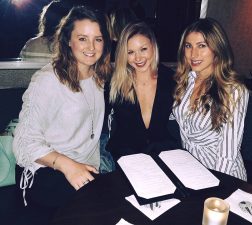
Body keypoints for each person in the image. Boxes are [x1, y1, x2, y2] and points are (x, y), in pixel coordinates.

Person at [12, 5, 112, 221]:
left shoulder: (98, 77)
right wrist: (67, 166)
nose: (92, 47)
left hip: (85, 169)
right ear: (68, 40)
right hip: (46, 171)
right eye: (83, 38)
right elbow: (22, 144)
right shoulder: (48, 81)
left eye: (98, 39)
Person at [172, 18, 249, 181]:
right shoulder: (186, 81)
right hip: (191, 172)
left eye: (202, 46)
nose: (193, 54)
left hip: (222, 175)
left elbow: (228, 152)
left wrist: (218, 188)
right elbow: (179, 116)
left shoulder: (233, 90)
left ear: (217, 48)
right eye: (188, 46)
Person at [106, 21, 180, 162]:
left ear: (153, 46)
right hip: (127, 158)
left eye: (143, 49)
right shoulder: (115, 83)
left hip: (164, 155)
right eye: (131, 52)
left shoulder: (171, 80)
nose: (138, 58)